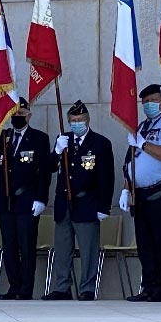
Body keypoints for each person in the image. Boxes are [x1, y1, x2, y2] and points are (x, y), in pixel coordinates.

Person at [42, 101, 114, 301]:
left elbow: (106, 178)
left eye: (80, 120)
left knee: (88, 249)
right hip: (64, 204)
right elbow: (48, 168)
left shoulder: (100, 143)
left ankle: (87, 288)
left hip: (87, 203)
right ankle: (62, 287)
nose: (76, 124)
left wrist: (103, 206)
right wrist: (56, 151)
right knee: (63, 249)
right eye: (73, 120)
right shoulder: (63, 140)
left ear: (87, 120)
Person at [120, 84, 161, 302]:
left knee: (160, 242)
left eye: (153, 100)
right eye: (145, 102)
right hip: (140, 194)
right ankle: (147, 287)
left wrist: (143, 144)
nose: (149, 105)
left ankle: (159, 290)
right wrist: (126, 189)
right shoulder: (143, 126)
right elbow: (131, 162)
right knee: (145, 244)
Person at [0, 98, 52, 300]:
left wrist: (41, 198)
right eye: (14, 115)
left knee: (26, 247)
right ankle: (13, 286)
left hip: (27, 201)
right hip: (5, 201)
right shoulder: (4, 136)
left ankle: (25, 289)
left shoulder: (39, 138)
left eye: (21, 115)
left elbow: (44, 171)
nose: (18, 118)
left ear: (29, 116)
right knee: (9, 246)